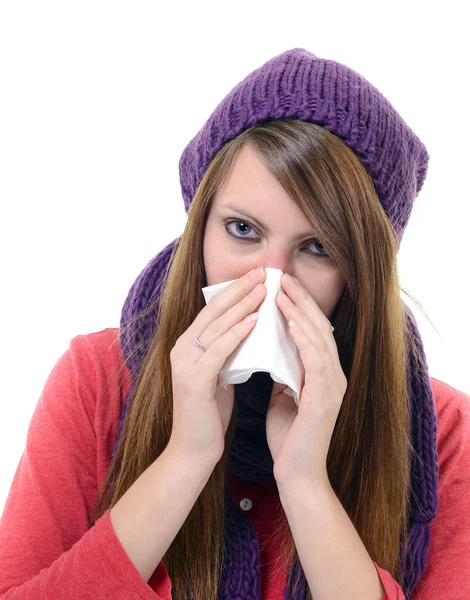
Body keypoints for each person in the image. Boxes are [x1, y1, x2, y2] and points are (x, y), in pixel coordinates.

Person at [0, 47, 469, 600]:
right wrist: (185, 459)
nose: (269, 280)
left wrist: (306, 484)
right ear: (200, 228)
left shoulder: (441, 430)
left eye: (317, 247)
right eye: (243, 229)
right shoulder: (96, 379)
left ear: (359, 274)